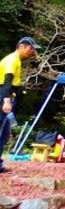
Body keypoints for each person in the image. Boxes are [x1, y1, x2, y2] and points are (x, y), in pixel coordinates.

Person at [0, 36, 38, 173]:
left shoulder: (16, 60)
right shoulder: (11, 60)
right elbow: (6, 81)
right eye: (30, 48)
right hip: (3, 95)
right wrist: (6, 100)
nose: (32, 51)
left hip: (8, 96)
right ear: (21, 46)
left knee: (5, 134)